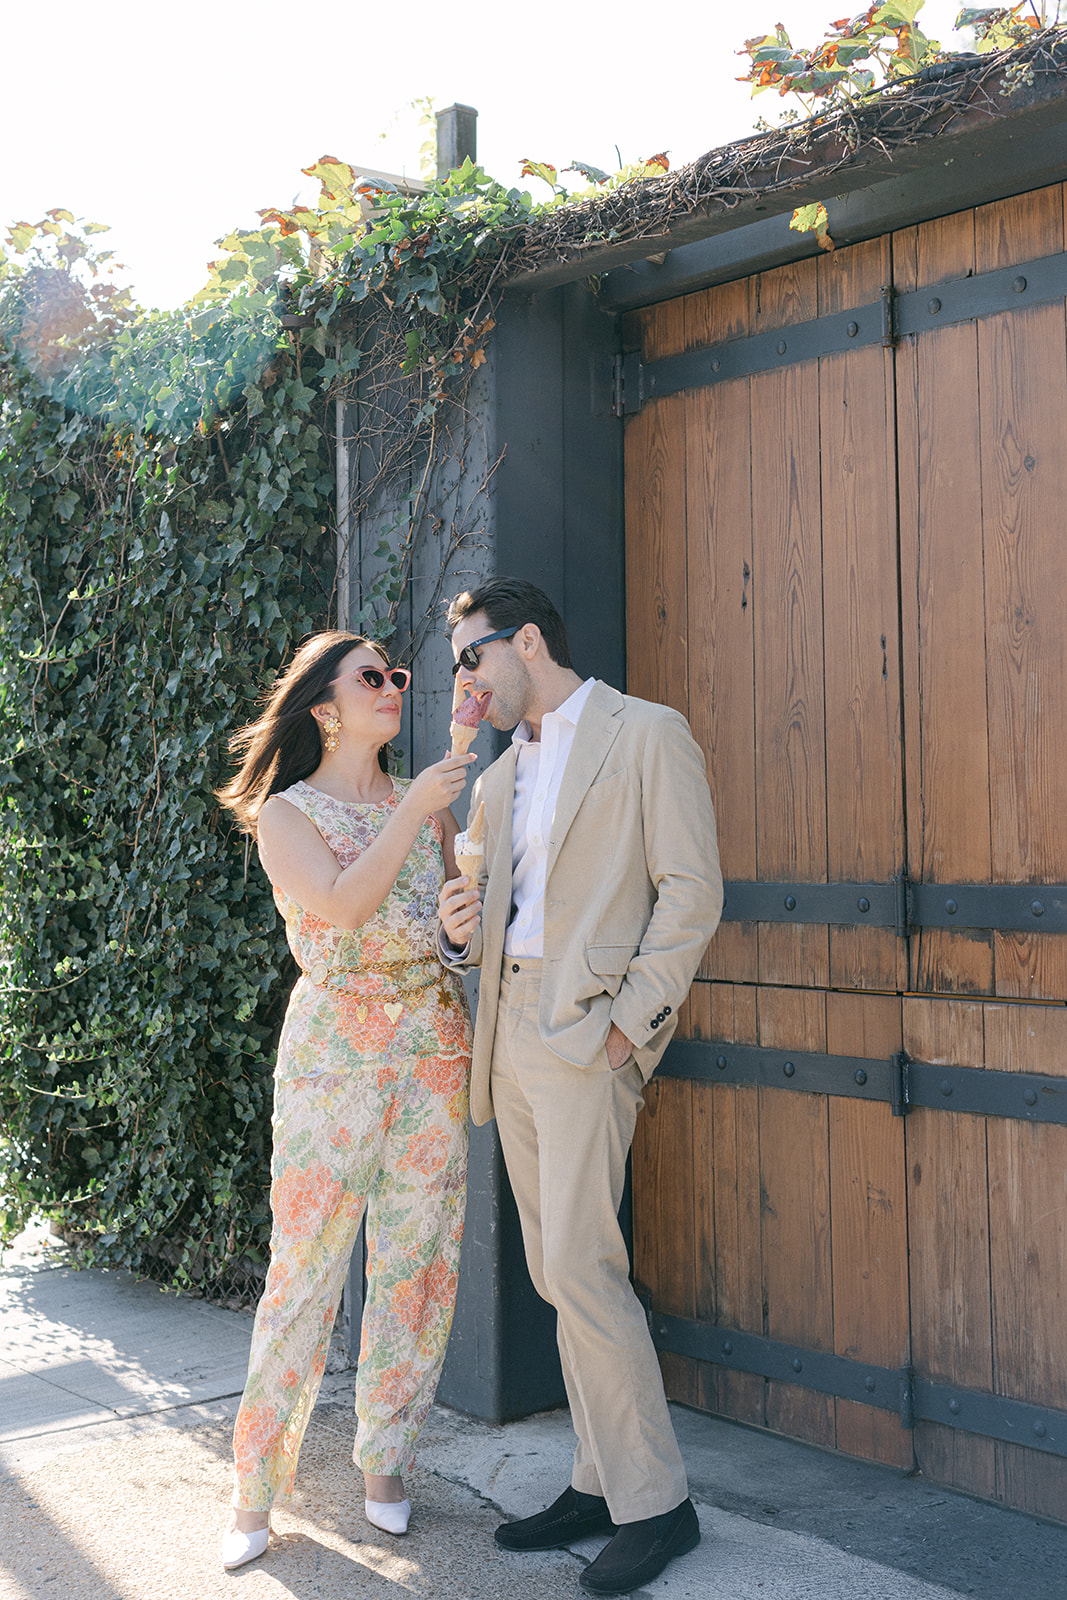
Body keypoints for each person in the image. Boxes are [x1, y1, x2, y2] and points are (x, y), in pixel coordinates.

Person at [438, 579, 723, 1597]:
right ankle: (596, 1480)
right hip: (507, 1037)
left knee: (582, 1266)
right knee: (559, 1273)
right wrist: (453, 923)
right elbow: (475, 905)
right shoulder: (498, 776)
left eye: (470, 657)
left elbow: (691, 889)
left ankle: (656, 1504)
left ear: (524, 641)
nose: (461, 679)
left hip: (586, 1036)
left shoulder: (646, 734)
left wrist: (624, 1030)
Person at [215, 630, 474, 1570]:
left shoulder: (429, 808)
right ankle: (253, 1485)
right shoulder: (286, 815)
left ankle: (386, 1465)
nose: (393, 687)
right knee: (306, 1268)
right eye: (372, 677)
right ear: (325, 706)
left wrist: (458, 934)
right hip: (334, 1054)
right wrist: (418, 812)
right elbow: (345, 906)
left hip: (433, 1045)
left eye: (398, 676)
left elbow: (454, 929)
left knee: (416, 1260)